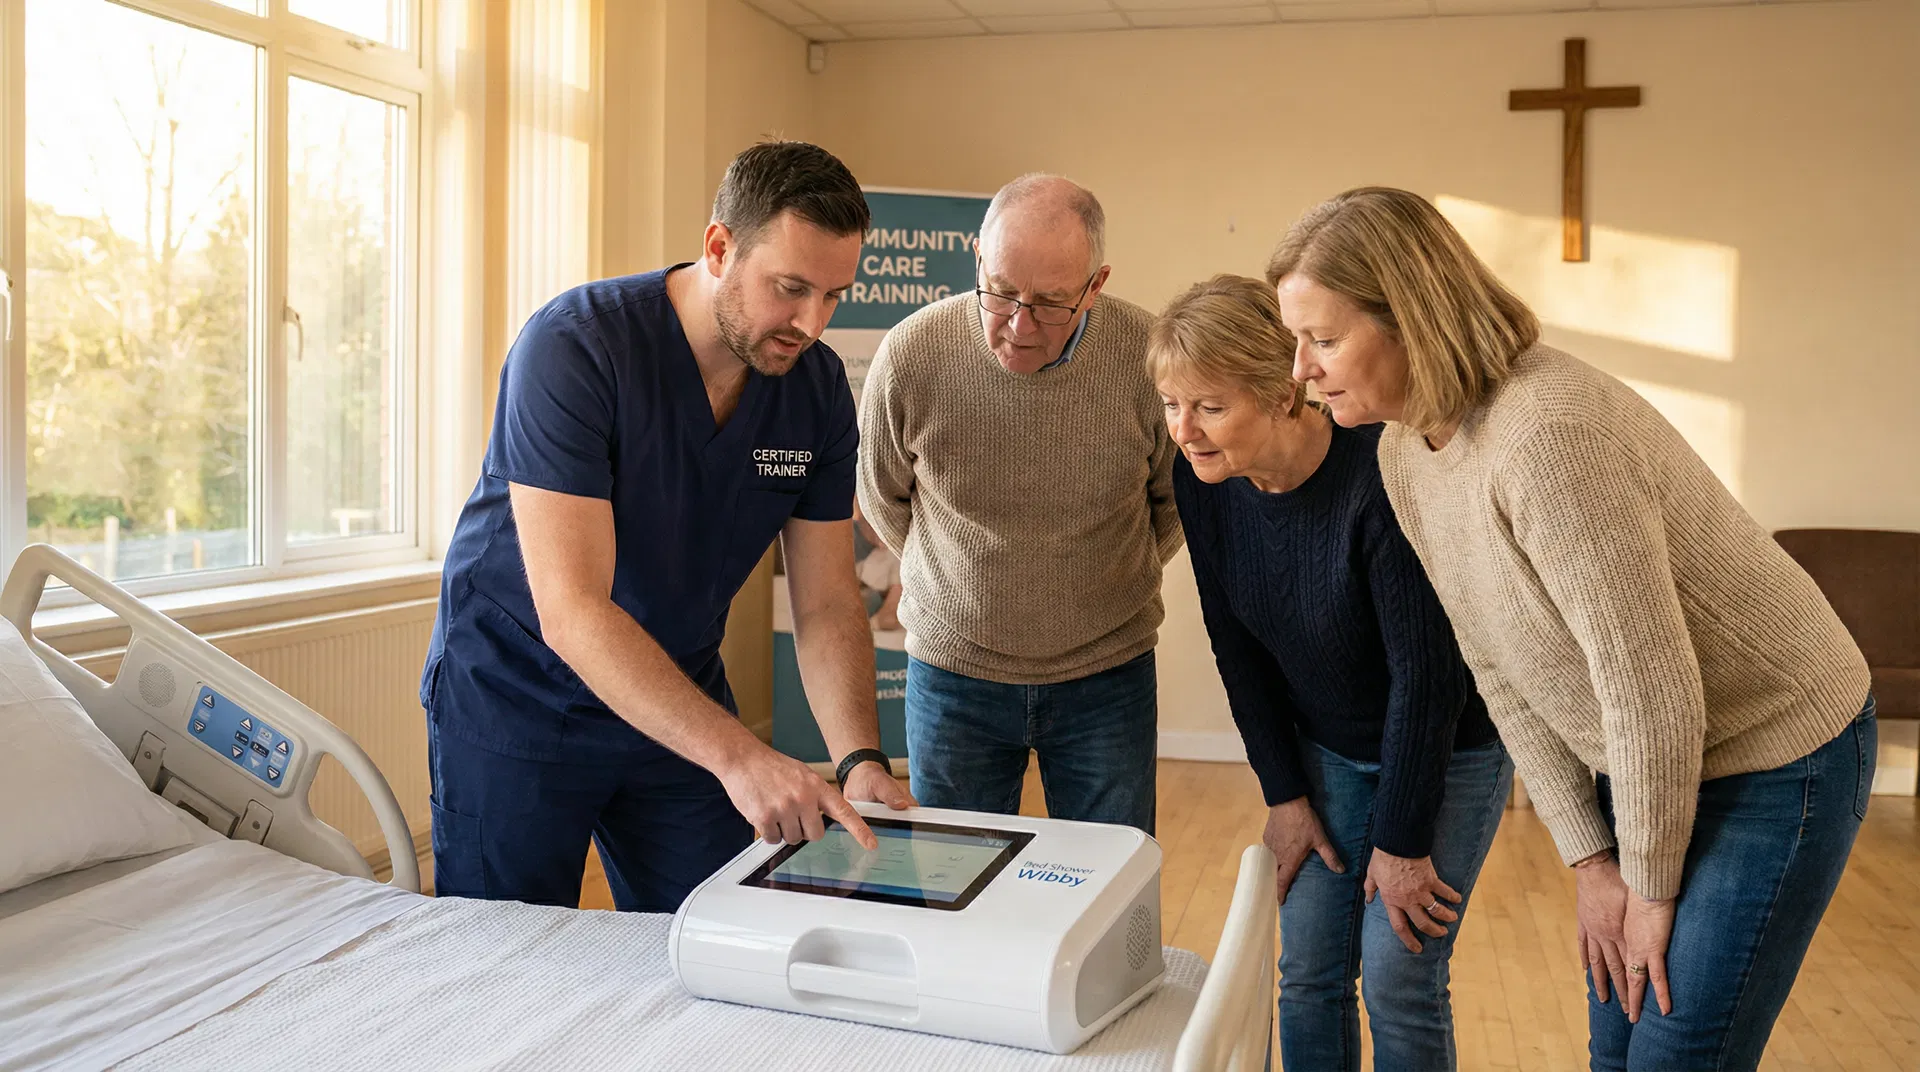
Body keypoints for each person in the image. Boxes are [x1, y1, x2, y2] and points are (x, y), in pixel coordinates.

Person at [1267, 186, 1876, 1071]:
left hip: (1781, 753)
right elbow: (1495, 664)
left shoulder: (1546, 438)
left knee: (1670, 1046)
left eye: (1323, 340)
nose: (1300, 371)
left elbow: (1650, 690)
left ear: (1415, 321)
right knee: (1614, 1045)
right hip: (1651, 761)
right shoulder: (1406, 452)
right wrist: (1594, 862)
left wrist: (1650, 889)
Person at [421, 141, 913, 912]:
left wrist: (857, 759)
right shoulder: (576, 347)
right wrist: (742, 756)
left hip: (673, 697)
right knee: (505, 962)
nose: (812, 324)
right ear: (719, 247)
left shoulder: (812, 388)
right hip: (519, 699)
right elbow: (573, 610)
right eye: (790, 289)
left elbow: (824, 603)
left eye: (834, 296)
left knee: (714, 935)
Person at [1150, 274, 1509, 1070]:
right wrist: (1284, 793)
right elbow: (1234, 647)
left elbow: (1428, 679)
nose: (1184, 430)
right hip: (1328, 748)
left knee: (1398, 978)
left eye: (1209, 406)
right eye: (1172, 404)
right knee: (1308, 973)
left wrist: (1403, 844)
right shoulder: (1202, 483)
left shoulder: (1383, 477)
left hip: (1449, 749)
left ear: (1283, 393)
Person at [856, 175, 1181, 834]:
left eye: (1051, 302)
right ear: (978, 260)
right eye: (1001, 293)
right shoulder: (913, 354)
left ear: (1097, 285)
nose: (1019, 325)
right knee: (957, 881)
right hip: (953, 675)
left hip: (1106, 675)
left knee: (1110, 886)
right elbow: (882, 497)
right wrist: (963, 583)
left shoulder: (1147, 363)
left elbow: (1174, 506)